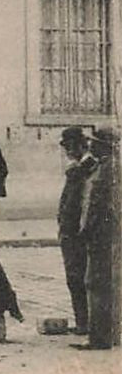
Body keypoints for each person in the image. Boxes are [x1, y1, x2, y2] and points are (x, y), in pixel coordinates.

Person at [73, 128, 117, 351]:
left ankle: (99, 337)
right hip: (104, 234)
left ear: (103, 146)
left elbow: (97, 206)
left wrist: (86, 229)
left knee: (96, 283)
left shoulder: (107, 170)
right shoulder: (105, 166)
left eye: (95, 143)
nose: (91, 146)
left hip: (100, 235)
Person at [57, 126, 98, 338]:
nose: (67, 151)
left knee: (80, 277)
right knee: (74, 278)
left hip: (77, 233)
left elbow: (83, 202)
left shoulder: (89, 167)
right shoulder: (77, 168)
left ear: (78, 146)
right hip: (68, 231)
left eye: (69, 147)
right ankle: (81, 321)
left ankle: (86, 322)